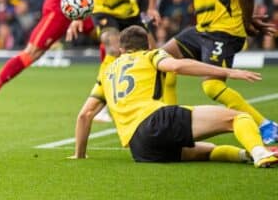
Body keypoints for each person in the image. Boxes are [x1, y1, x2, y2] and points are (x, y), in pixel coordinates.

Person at [71, 26, 278, 168]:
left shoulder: (106, 73)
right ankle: (260, 153)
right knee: (239, 118)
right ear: (148, 45)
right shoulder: (150, 55)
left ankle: (247, 154)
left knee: (205, 151)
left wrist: (80, 154)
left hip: (140, 147)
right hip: (156, 120)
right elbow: (177, 66)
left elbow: (85, 115)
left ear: (122, 50)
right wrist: (227, 72)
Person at [161, 0, 278, 145]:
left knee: (212, 86)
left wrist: (245, 23)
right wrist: (246, 16)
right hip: (203, 30)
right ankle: (171, 121)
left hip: (223, 33)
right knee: (162, 59)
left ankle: (265, 125)